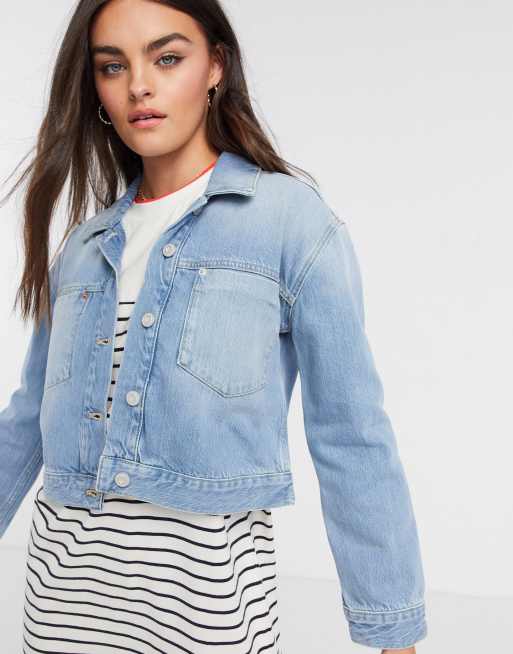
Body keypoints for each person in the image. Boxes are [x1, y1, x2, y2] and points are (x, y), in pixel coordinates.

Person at [0, 1, 427, 652]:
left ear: (216, 66)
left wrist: (392, 632)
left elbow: (352, 437)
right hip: (61, 621)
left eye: (167, 58)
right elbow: (25, 423)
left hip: (207, 629)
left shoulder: (290, 223)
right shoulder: (83, 250)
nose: (139, 85)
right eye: (113, 66)